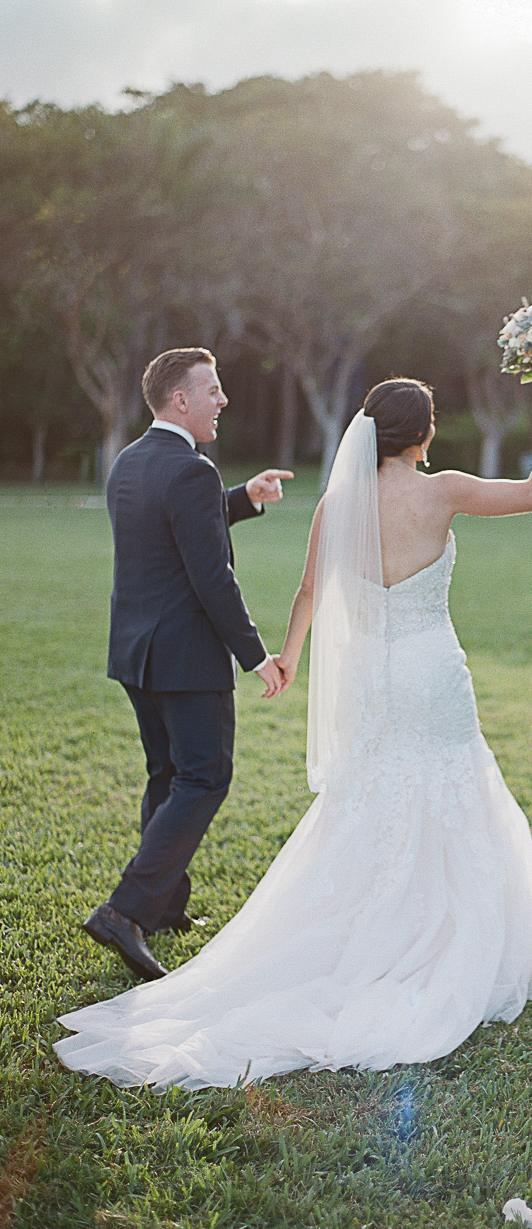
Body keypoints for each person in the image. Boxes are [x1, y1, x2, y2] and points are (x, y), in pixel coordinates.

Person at [54, 366, 532, 1088]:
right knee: (452, 790)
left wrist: (289, 659)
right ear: (421, 434)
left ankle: (347, 932)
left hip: (371, 681)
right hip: (431, 675)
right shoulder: (442, 489)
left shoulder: (337, 503)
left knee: (369, 801)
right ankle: (442, 941)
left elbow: (308, 591)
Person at [81, 348, 291, 982]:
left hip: (136, 652)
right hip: (186, 657)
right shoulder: (190, 470)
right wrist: (258, 657)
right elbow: (211, 577)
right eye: (214, 390)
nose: (222, 400)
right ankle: (125, 911)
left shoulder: (131, 462)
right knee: (203, 778)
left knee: (168, 774)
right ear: (181, 400)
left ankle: (166, 905)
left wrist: (243, 498)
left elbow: (175, 521)